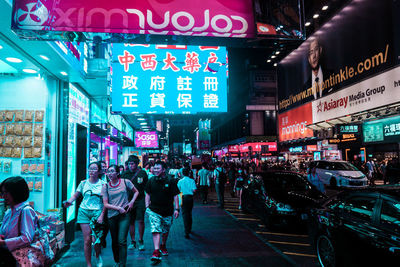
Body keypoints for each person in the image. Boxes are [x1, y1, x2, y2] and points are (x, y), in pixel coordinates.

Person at [63, 162, 106, 267]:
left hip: (97, 212)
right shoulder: (83, 183)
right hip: (84, 212)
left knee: (96, 240)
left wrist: (101, 215)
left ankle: (97, 255)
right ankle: (89, 264)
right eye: (90, 169)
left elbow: (105, 202)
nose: (92, 171)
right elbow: (76, 195)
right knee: (87, 240)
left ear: (99, 171)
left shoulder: (103, 184)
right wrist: (69, 202)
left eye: (94, 169)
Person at [0, 176, 45, 267]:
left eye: (6, 193)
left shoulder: (26, 211)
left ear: (16, 192)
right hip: (8, 256)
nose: (3, 196)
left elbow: (26, 238)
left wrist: (4, 242)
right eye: (2, 193)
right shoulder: (9, 212)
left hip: (19, 258)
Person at [102, 165, 139, 267]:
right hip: (112, 216)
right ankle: (117, 261)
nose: (110, 173)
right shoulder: (105, 186)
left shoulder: (125, 182)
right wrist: (118, 208)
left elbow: (136, 192)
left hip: (124, 215)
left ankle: (122, 264)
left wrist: (131, 202)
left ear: (118, 173)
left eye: (112, 171)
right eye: (108, 172)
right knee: (114, 240)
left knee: (121, 240)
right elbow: (105, 204)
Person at [145, 161, 180, 262]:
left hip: (168, 210)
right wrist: (147, 207)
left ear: (164, 170)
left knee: (165, 230)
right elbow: (147, 194)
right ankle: (156, 250)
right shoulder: (151, 180)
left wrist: (177, 209)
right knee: (155, 229)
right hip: (154, 210)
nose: (155, 170)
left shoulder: (171, 181)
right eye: (154, 168)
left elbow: (175, 195)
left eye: (157, 169)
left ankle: (163, 245)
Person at [121, 155, 148, 251]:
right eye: (129, 164)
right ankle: (133, 241)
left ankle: (141, 240)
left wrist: (148, 201)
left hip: (140, 200)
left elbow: (146, 187)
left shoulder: (143, 173)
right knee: (131, 221)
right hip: (128, 201)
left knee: (140, 220)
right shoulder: (124, 174)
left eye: (132, 163)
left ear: (137, 164)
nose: (130, 165)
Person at [177, 168, 197, 239]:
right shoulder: (192, 181)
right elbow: (194, 190)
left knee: (185, 214)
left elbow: (178, 190)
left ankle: (186, 231)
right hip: (190, 198)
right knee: (189, 213)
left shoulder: (180, 181)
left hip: (183, 198)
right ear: (189, 173)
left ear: (182, 173)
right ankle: (189, 228)